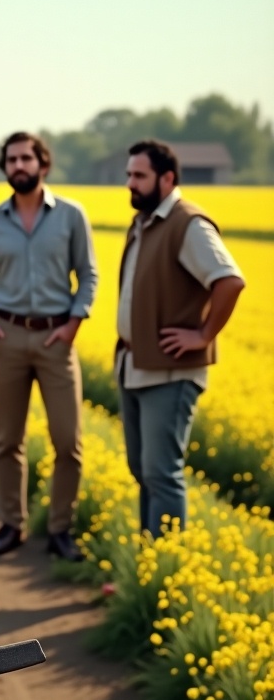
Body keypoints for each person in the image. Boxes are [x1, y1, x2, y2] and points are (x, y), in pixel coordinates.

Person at [0, 131, 97, 562]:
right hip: (7, 337)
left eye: (27, 158)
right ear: (5, 168)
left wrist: (75, 323)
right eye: (12, 160)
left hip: (57, 338)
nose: (19, 166)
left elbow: (88, 275)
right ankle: (12, 526)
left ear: (43, 164)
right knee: (8, 440)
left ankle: (61, 530)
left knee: (68, 442)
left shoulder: (71, 216)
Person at [117, 139, 244, 538]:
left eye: (139, 176)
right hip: (136, 367)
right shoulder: (146, 220)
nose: (130, 184)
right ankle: (149, 559)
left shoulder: (188, 222)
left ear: (167, 178)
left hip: (170, 373)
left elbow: (229, 280)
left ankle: (164, 569)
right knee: (143, 471)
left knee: (161, 473)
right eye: (129, 175)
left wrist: (204, 334)